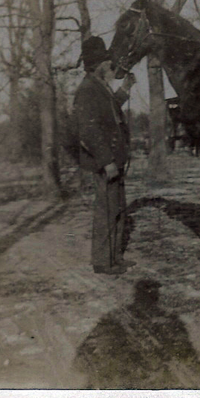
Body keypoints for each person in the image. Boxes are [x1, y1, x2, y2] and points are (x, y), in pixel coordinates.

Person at [74, 36, 137, 275]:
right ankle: (103, 262)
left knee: (117, 208)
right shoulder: (87, 89)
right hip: (106, 163)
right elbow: (88, 130)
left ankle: (115, 258)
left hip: (115, 160)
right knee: (106, 211)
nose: (110, 64)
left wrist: (125, 90)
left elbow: (111, 110)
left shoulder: (99, 86)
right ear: (97, 63)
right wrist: (107, 161)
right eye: (106, 61)